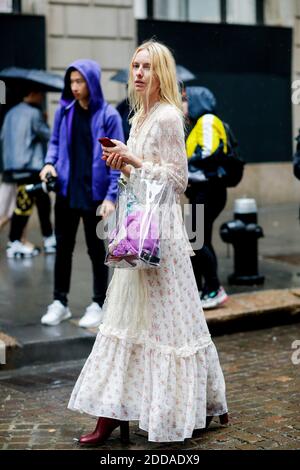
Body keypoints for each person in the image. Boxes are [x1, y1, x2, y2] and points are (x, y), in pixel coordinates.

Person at [68, 41, 228, 444]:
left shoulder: (170, 117)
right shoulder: (138, 116)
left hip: (164, 235)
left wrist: (136, 162)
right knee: (123, 320)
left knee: (171, 324)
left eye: (147, 67)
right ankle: (111, 413)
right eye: (135, 66)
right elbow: (138, 179)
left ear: (162, 74)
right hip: (135, 228)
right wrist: (122, 164)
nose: (138, 73)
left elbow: (178, 181)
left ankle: (192, 406)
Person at [40, 59, 124, 328]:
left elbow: (117, 161)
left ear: (92, 82)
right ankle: (59, 302)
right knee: (62, 249)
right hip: (66, 192)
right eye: (71, 82)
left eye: (80, 82)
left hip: (94, 195)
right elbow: (54, 144)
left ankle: (99, 302)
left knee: (94, 250)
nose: (75, 87)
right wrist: (49, 163)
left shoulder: (109, 116)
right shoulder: (64, 112)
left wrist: (111, 197)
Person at [185, 86, 228, 309]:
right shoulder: (196, 126)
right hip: (202, 191)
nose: (182, 105)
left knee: (196, 239)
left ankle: (214, 288)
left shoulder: (208, 120)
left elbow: (209, 153)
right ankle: (206, 289)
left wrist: (184, 167)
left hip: (210, 190)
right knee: (201, 240)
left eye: (185, 100)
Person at [0, 88, 56, 258]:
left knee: (33, 202)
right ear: (32, 93)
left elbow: (3, 137)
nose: (42, 97)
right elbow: (49, 135)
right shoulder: (34, 113)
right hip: (31, 167)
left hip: (13, 168)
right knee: (29, 205)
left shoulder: (11, 113)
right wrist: (45, 121)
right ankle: (17, 241)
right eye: (40, 94)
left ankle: (43, 239)